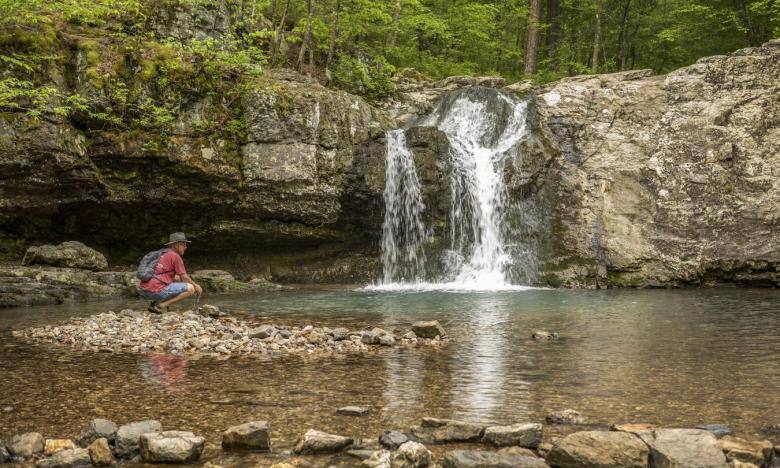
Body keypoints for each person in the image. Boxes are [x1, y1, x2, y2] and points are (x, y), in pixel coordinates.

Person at [139, 232, 203, 314]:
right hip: (155, 291)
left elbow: (165, 276)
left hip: (144, 290)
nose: (186, 247)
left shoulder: (162, 253)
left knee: (174, 281)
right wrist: (195, 285)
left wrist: (183, 280)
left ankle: (154, 304)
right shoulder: (175, 256)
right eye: (183, 244)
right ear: (176, 245)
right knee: (190, 288)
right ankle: (162, 305)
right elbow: (184, 277)